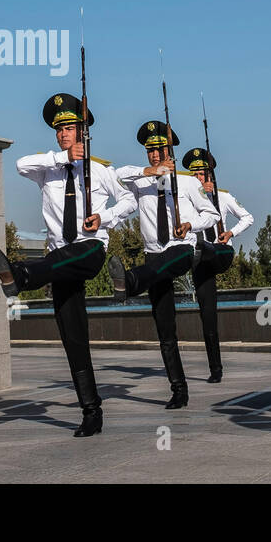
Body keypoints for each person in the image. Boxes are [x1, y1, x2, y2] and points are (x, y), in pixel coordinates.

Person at [0, 93, 137, 437]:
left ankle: (19, 275)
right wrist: (60, 158)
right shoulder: (48, 169)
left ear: (83, 131)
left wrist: (105, 216)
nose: (63, 133)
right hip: (57, 261)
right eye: (59, 129)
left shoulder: (100, 170)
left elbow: (129, 200)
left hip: (89, 249)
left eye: (69, 127)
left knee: (68, 258)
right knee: (73, 337)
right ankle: (92, 411)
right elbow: (20, 164)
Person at [108, 121, 218, 409]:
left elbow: (213, 214)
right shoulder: (141, 181)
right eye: (150, 151)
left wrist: (190, 223)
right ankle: (178, 389)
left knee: (169, 262)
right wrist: (149, 173)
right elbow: (115, 175)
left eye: (159, 150)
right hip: (152, 257)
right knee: (165, 328)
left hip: (180, 248)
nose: (155, 155)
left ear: (170, 150)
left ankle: (130, 283)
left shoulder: (188, 182)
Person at [181, 147, 254, 382]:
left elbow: (248, 217)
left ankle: (206, 249)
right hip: (200, 260)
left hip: (220, 252)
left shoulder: (222, 197)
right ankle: (216, 368)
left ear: (209, 175)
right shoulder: (188, 200)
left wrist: (230, 232)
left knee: (210, 249)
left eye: (201, 174)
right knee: (207, 314)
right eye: (193, 175)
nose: (197, 179)